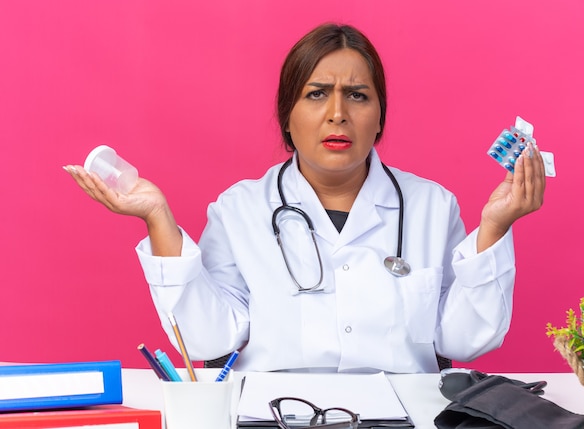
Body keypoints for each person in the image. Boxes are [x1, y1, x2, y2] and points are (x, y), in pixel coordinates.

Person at [64, 23, 546, 373]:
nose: (337, 113)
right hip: (273, 415)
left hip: (404, 416)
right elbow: (205, 338)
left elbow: (464, 339)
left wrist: (495, 228)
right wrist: (157, 217)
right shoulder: (240, 210)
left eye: (358, 95)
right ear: (287, 117)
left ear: (380, 118)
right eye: (316, 94)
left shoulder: (431, 207)